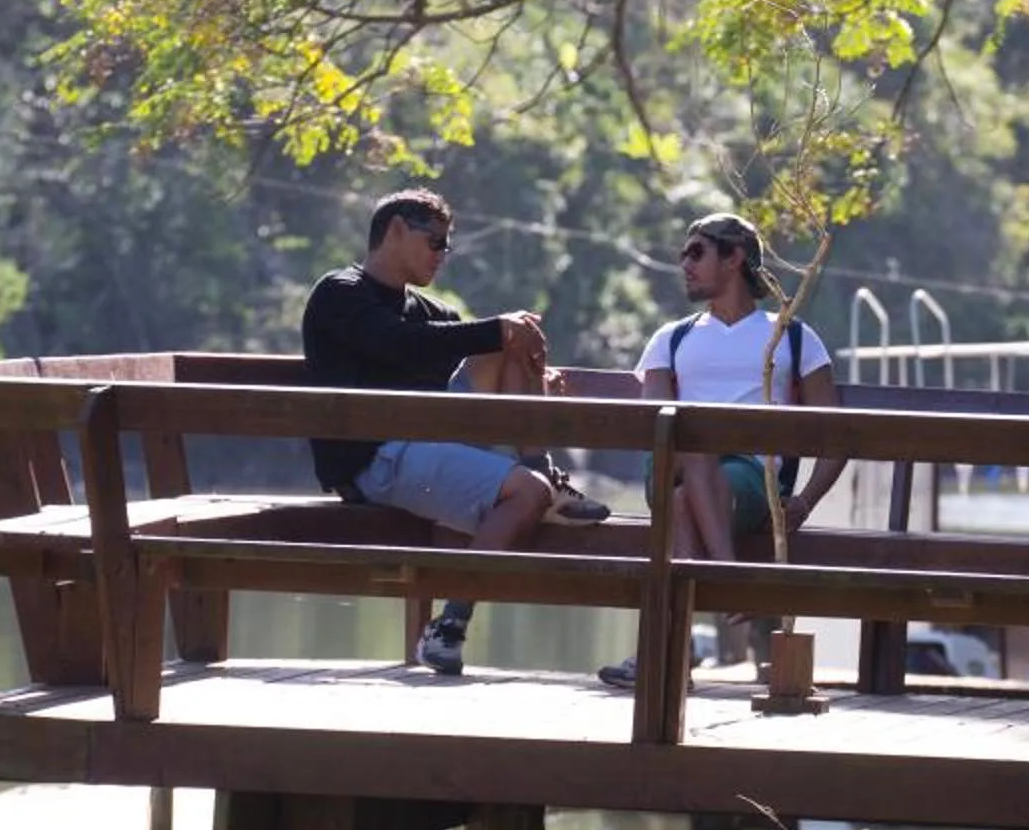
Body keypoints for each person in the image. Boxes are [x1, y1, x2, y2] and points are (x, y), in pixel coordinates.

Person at [301, 188, 604, 678]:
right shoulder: (340, 293)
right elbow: (397, 345)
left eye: (447, 246)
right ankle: (449, 627)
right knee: (524, 496)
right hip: (373, 461)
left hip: (423, 444)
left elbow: (468, 348)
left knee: (514, 341)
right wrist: (497, 331)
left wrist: (529, 365)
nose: (443, 255)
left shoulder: (429, 309)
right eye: (435, 242)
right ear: (396, 230)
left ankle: (538, 467)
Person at [597, 213, 843, 690]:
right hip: (675, 465)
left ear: (733, 259)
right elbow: (654, 423)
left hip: (751, 479)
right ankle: (732, 578)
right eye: (682, 255)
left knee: (690, 492)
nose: (683, 265)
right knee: (689, 439)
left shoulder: (792, 336)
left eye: (696, 252)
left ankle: (668, 652)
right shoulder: (671, 338)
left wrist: (806, 500)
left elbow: (837, 434)